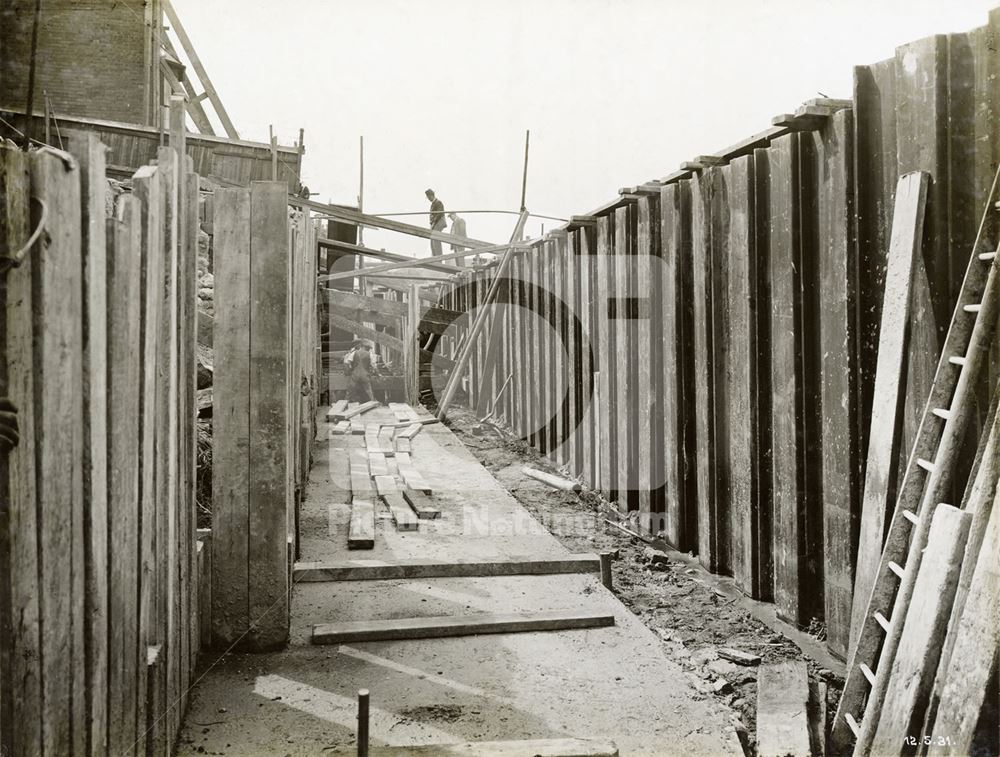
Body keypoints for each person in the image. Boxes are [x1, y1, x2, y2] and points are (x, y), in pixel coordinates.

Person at [425, 188, 446, 256]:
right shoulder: (433, 204)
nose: (428, 199)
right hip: (435, 223)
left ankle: (438, 257)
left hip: (438, 223)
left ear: (431, 196)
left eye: (428, 197)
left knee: (436, 239)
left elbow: (439, 214)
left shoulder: (438, 203)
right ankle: (435, 256)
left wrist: (433, 223)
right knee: (433, 240)